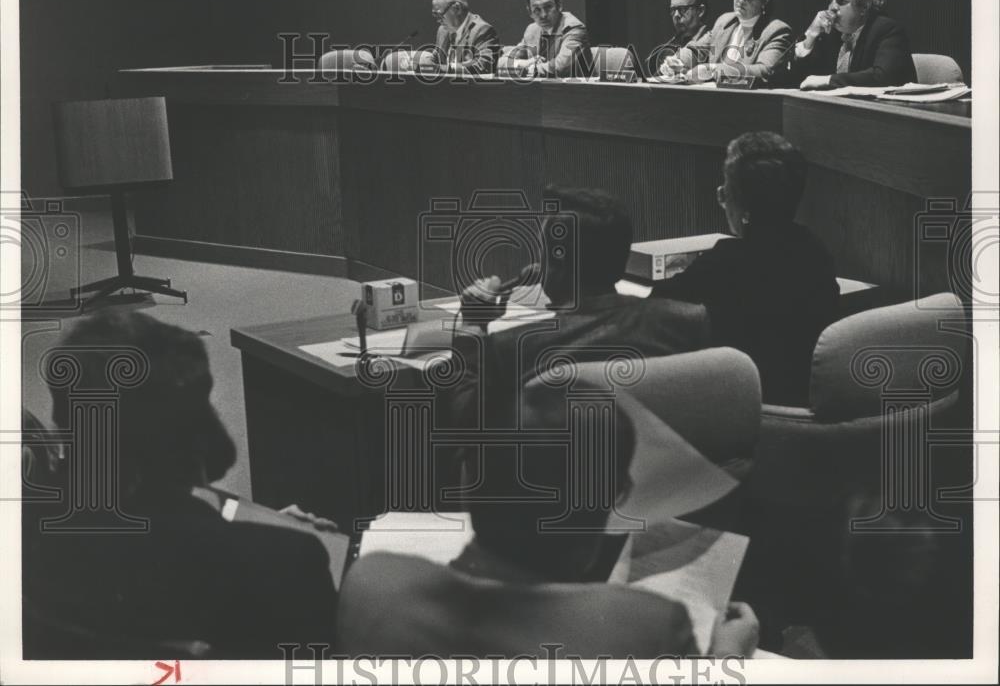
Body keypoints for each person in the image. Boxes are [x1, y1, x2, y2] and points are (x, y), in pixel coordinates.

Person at [337, 394, 760, 657]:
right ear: (612, 498)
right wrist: (728, 653)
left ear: (467, 485)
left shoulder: (370, 582)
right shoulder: (647, 627)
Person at [23, 310, 338, 659]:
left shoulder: (23, 537)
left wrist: (258, 532)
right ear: (195, 431)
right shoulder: (289, 564)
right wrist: (272, 543)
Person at [447, 186, 711, 443]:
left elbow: (464, 423)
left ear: (557, 264)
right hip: (666, 476)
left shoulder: (512, 349)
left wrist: (471, 327)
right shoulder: (688, 322)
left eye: (542, 253)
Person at [650, 132, 839, 406]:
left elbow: (657, 309)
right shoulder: (815, 251)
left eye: (725, 189)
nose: (721, 196)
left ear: (744, 208)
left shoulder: (726, 261)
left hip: (743, 407)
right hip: (803, 399)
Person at [665, 0, 792, 86]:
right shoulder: (724, 21)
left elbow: (764, 71)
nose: (741, 0)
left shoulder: (777, 31)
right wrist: (677, 62)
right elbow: (697, 50)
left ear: (765, 1)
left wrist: (713, 70)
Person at [793, 0, 917, 89]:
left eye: (841, 1)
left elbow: (882, 77)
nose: (832, 7)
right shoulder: (831, 33)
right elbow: (799, 79)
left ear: (864, 6)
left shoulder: (887, 30)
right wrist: (810, 37)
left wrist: (829, 80)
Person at [505, 0, 592, 78]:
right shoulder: (532, 30)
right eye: (537, 10)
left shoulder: (574, 28)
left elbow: (560, 67)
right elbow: (502, 61)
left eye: (548, 7)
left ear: (559, 6)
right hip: (539, 89)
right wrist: (523, 63)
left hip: (575, 90)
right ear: (530, 13)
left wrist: (527, 69)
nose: (543, 15)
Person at [419, 0, 500, 75]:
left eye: (440, 14)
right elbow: (436, 59)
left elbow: (484, 66)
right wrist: (422, 62)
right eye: (434, 14)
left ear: (457, 8)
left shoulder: (482, 30)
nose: (438, 20)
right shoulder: (443, 31)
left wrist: (447, 68)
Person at [654, 0, 711, 75]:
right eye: (673, 10)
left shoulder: (714, 42)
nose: (676, 15)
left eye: (682, 9)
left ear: (700, 11)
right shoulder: (668, 49)